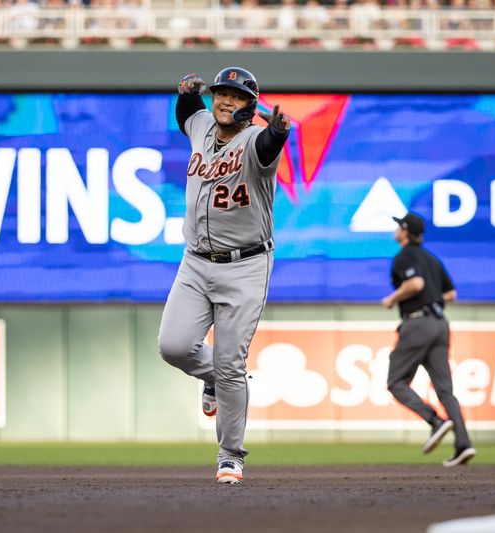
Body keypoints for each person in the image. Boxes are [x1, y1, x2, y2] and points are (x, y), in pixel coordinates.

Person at [158, 67, 290, 484]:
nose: (225, 101)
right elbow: (188, 114)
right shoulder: (201, 126)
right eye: (221, 94)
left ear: (251, 105)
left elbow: (270, 145)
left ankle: (230, 454)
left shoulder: (254, 140)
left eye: (235, 95)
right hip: (195, 261)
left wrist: (279, 132)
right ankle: (214, 376)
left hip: (246, 264)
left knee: (232, 362)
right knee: (174, 346)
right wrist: (187, 94)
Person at [381, 212, 476, 467]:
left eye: (399, 226)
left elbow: (416, 284)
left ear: (405, 231)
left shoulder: (405, 255)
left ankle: (435, 421)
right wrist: (431, 303)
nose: (396, 230)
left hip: (417, 324)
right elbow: (451, 293)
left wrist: (392, 299)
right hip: (440, 324)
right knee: (446, 390)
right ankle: (463, 445)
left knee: (396, 382)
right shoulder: (432, 258)